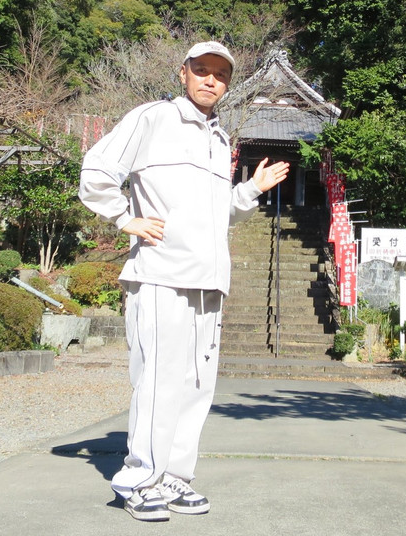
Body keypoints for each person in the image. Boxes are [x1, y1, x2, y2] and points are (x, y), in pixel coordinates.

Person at [79, 41, 289, 522]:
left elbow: (217, 214)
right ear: (183, 73)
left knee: (197, 383)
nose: (210, 79)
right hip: (160, 274)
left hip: (209, 281)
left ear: (228, 84)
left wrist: (251, 189)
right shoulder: (151, 118)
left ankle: (174, 477)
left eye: (220, 73)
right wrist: (123, 217)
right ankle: (139, 480)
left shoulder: (219, 140)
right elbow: (96, 170)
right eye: (201, 70)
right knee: (157, 379)